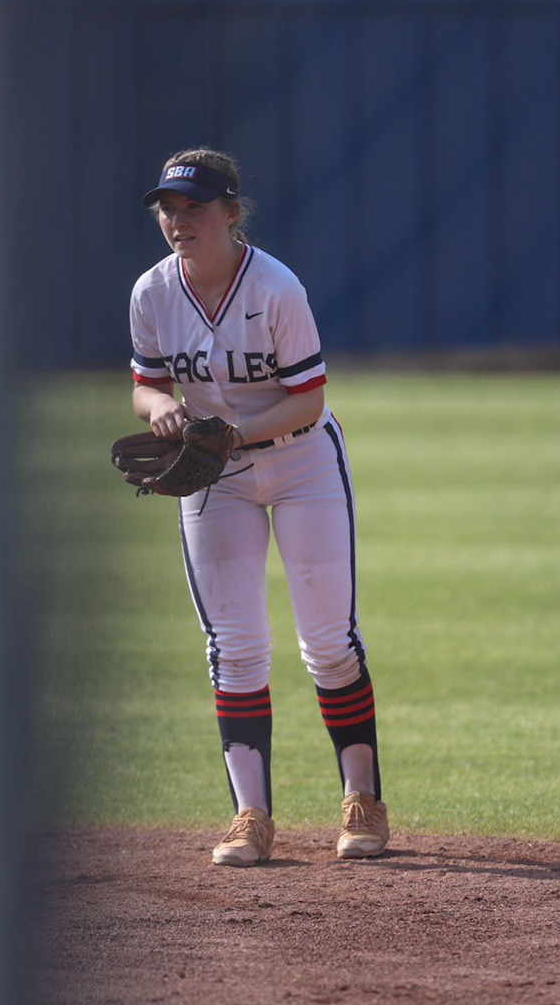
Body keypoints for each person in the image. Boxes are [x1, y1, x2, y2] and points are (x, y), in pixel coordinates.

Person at [129, 148, 388, 867]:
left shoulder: (275, 289)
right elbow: (146, 385)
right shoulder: (151, 293)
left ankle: (363, 801)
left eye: (195, 207)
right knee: (235, 648)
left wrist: (234, 431)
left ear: (231, 213)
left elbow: (309, 398)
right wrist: (161, 414)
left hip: (302, 463)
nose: (179, 220)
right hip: (217, 475)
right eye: (168, 208)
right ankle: (250, 816)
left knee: (328, 642)